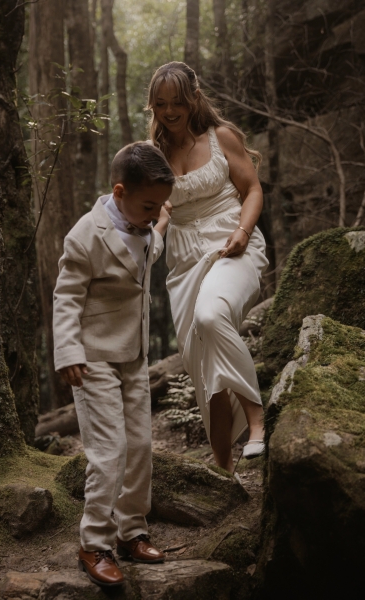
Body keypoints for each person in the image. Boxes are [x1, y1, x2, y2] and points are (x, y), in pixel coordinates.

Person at [53, 142, 174, 587]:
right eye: (149, 206)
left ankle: (131, 531)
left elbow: (146, 253)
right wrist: (68, 352)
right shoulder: (85, 234)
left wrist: (159, 220)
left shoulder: (145, 225)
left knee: (140, 445)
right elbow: (66, 297)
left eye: (159, 207)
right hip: (93, 358)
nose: (154, 214)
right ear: (119, 192)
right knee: (109, 452)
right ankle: (94, 543)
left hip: (134, 355)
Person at [146, 62, 269, 471]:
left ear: (194, 98)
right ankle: (224, 470)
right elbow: (154, 211)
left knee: (211, 314)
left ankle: (256, 418)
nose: (169, 111)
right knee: (205, 374)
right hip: (183, 265)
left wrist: (244, 231)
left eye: (177, 102)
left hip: (233, 246)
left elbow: (253, 189)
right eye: (160, 103)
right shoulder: (153, 155)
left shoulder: (221, 137)